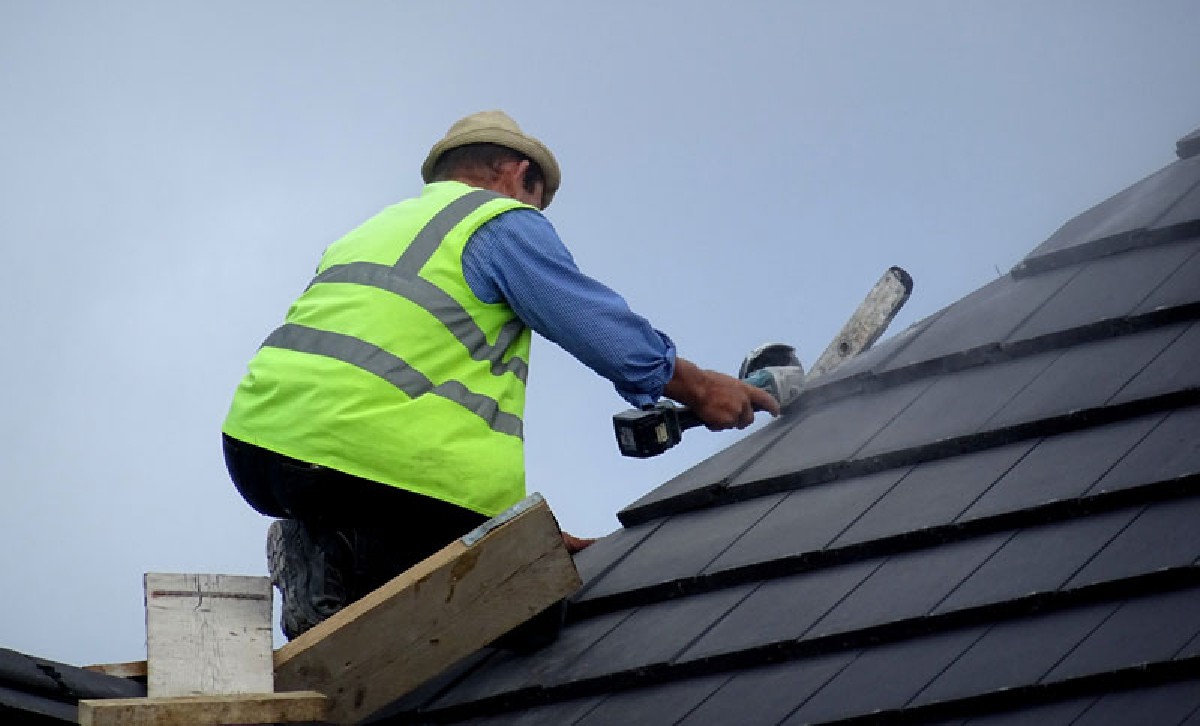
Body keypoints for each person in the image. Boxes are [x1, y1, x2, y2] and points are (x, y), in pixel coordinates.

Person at [221, 110, 778, 640]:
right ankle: (334, 556)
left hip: (259, 448)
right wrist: (702, 389)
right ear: (516, 173)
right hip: (360, 461)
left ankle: (321, 549)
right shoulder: (499, 221)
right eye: (539, 199)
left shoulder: (374, 230)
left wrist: (505, 533)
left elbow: (395, 381)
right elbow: (601, 330)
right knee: (528, 607)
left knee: (467, 566)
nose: (537, 215)